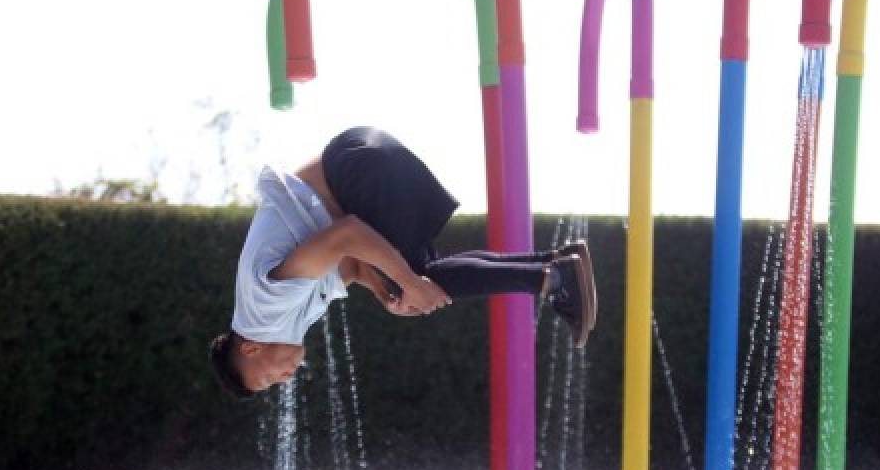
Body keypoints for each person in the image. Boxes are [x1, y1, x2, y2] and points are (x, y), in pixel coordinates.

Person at [209, 126, 597, 399]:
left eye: (266, 381)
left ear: (251, 351)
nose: (283, 379)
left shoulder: (264, 310)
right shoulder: (281, 317)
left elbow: (348, 233)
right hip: (361, 156)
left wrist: (406, 283)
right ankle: (555, 262)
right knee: (421, 273)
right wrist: (384, 290)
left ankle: (555, 279)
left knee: (417, 278)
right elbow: (352, 263)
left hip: (357, 170)